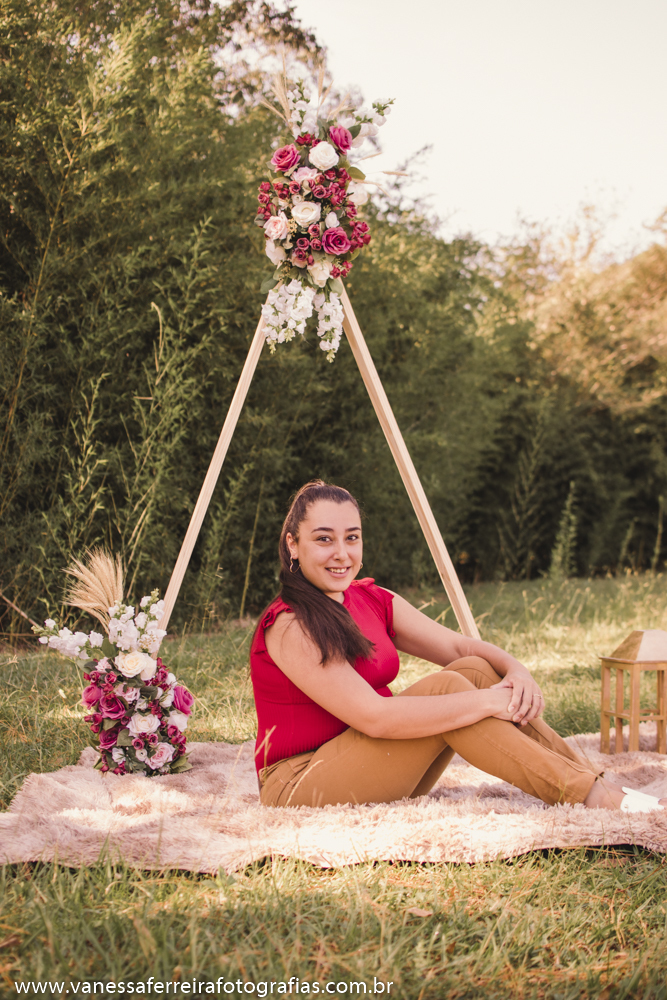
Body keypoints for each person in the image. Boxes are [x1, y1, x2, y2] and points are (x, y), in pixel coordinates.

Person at [250, 481, 665, 814]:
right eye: (324, 539)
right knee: (453, 689)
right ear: (293, 544)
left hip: (370, 761)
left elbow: (459, 645)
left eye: (352, 538)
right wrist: (486, 703)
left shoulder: (370, 598)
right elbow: (374, 717)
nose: (341, 554)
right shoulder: (290, 623)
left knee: (472, 669)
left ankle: (589, 780)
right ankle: (589, 797)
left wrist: (516, 671)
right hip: (303, 783)